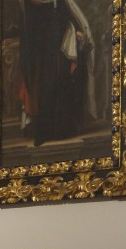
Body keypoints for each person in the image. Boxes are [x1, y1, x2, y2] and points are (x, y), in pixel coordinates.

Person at [19, 0, 96, 146]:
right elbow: (29, 26)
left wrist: (77, 29)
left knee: (62, 83)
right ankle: (45, 132)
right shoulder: (30, 5)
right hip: (42, 50)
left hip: (61, 49)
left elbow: (68, 14)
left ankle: (64, 129)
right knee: (45, 87)